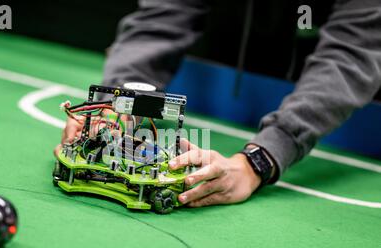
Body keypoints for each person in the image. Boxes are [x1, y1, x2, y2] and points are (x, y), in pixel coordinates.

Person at [55, 0, 381, 207]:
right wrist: (119, 102)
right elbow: (162, 18)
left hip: (352, 121)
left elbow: (351, 54)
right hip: (221, 78)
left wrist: (259, 161)